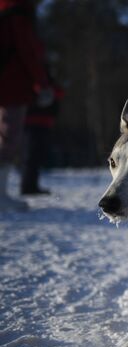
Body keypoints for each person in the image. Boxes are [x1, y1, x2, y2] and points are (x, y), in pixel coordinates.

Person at [0, 0, 51, 210]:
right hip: (11, 85)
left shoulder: (8, 12)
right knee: (9, 137)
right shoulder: (18, 14)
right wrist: (41, 83)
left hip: (8, 83)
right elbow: (27, 52)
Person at [20, 79, 63, 195]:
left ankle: (31, 185)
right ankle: (28, 187)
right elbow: (53, 92)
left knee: (36, 155)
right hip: (34, 119)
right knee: (31, 155)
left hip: (42, 120)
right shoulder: (39, 72)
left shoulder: (45, 71)